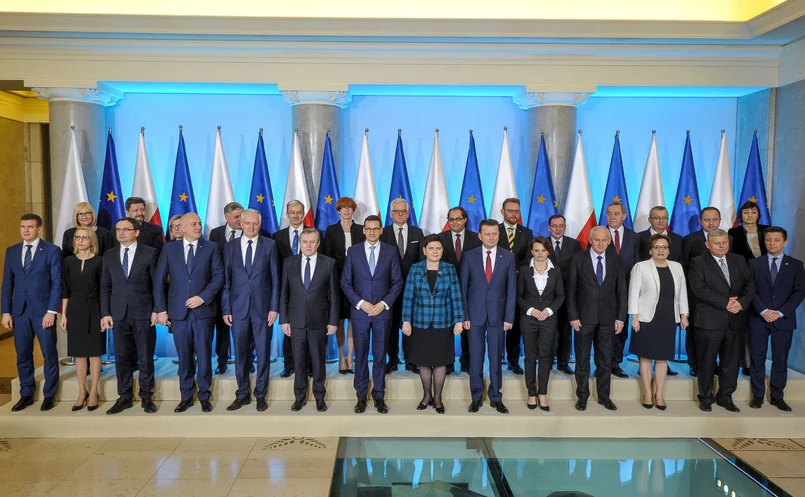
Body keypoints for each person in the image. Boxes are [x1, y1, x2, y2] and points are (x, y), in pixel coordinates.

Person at [154, 212, 224, 413]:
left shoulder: (211, 247)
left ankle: (204, 396)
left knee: (204, 355)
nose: (198, 227)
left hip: (203, 311)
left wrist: (202, 297)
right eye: (193, 224)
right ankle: (186, 396)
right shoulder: (169, 249)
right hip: (178, 313)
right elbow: (159, 281)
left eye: (199, 223)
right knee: (183, 357)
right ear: (182, 228)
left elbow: (219, 277)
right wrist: (161, 310)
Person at [340, 215, 403, 414]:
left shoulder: (391, 251)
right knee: (360, 356)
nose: (372, 232)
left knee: (379, 356)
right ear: (364, 230)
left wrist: (383, 304)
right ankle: (360, 397)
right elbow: (345, 282)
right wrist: (361, 303)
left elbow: (397, 282)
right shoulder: (353, 251)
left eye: (376, 229)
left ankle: (378, 396)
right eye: (369, 229)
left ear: (381, 230)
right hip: (360, 312)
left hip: (382, 313)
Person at [688, 229, 755, 413]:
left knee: (731, 362)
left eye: (724, 242)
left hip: (735, 319)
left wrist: (740, 303)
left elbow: (750, 284)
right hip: (709, 321)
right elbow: (699, 289)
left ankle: (725, 397)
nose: (721, 246)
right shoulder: (698, 262)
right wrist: (726, 302)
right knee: (707, 362)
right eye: (717, 243)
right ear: (707, 244)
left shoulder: (739, 260)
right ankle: (706, 398)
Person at [2, 214, 62, 412]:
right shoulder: (12, 251)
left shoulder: (52, 250)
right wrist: (6, 312)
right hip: (19, 312)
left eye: (30, 226)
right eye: (23, 227)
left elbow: (57, 283)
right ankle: (26, 393)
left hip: (43, 312)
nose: (26, 230)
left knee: (49, 353)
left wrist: (51, 311)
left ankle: (49, 395)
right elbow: (7, 284)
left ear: (40, 229)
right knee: (23, 354)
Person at [221, 209, 279, 412]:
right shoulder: (230, 247)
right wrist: (226, 308)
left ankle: (260, 394)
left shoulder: (270, 245)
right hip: (238, 310)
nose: (252, 227)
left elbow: (275, 279)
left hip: (263, 309)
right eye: (248, 223)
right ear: (241, 224)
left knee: (263, 353)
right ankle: (242, 394)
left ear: (259, 224)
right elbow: (226, 281)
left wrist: (274, 307)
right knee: (240, 354)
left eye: (255, 224)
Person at [401, 234, 465, 414]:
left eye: (438, 248)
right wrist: (406, 320)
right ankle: (426, 395)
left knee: (439, 361)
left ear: (442, 250)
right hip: (420, 322)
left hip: (442, 323)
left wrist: (458, 320)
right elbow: (408, 296)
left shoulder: (449, 269)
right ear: (424, 250)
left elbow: (456, 296)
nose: (435, 251)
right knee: (423, 361)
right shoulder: (415, 269)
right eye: (431, 248)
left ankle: (437, 398)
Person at [101, 217, 159, 415]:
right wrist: (105, 313)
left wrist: (157, 309)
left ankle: (146, 396)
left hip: (143, 312)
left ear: (136, 232)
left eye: (126, 229)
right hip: (118, 313)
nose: (121, 232)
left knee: (145, 356)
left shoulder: (150, 253)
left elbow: (156, 284)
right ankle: (124, 396)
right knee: (122, 357)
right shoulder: (109, 255)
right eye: (118, 229)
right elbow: (105, 286)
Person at [567, 226, 627, 412]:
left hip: (608, 319)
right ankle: (582, 396)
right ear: (590, 240)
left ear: (609, 241)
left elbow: (621, 291)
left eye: (604, 240)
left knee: (605, 360)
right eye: (597, 240)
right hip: (583, 319)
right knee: (582, 359)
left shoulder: (616, 260)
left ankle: (604, 397)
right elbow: (571, 290)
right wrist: (573, 316)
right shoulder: (578, 259)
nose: (600, 243)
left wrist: (621, 318)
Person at [280, 228, 339, 413]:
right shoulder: (289, 262)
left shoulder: (329, 263)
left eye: (312, 242)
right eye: (304, 242)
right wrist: (283, 320)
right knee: (298, 361)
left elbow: (335, 296)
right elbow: (284, 293)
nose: (308, 245)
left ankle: (319, 397)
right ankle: (299, 397)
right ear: (300, 243)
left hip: (319, 321)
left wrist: (333, 321)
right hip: (295, 321)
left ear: (318, 243)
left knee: (318, 361)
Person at [461, 219, 517, 414]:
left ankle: (495, 397)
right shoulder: (469, 256)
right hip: (474, 316)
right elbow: (463, 288)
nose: (491, 237)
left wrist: (509, 317)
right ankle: (476, 397)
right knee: (475, 359)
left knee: (495, 359)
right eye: (487, 234)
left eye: (495, 234)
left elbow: (511, 289)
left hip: (498, 317)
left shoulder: (508, 257)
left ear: (499, 235)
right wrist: (464, 316)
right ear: (480, 236)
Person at [628, 234, 689, 410]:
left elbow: (682, 293)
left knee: (663, 358)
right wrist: (634, 317)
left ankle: (659, 393)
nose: (660, 250)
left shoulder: (677, 267)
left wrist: (684, 314)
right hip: (646, 318)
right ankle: (647, 392)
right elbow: (633, 293)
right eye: (657, 247)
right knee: (646, 356)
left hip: (668, 318)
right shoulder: (640, 267)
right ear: (650, 250)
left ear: (669, 250)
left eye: (664, 247)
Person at [748, 227, 805, 412]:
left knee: (780, 359)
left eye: (776, 240)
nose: (772, 243)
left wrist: (780, 312)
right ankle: (757, 396)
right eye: (768, 240)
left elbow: (799, 292)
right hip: (758, 318)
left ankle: (777, 396)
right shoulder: (754, 264)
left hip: (784, 319)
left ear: (785, 242)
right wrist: (763, 310)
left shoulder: (796, 265)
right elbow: (749, 290)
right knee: (757, 358)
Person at [517, 236, 564, 411]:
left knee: (545, 357)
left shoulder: (556, 271)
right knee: (530, 357)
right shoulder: (524, 270)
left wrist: (549, 311)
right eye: (536, 250)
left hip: (548, 319)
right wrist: (530, 310)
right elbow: (518, 296)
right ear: (531, 252)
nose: (540, 254)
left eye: (543, 250)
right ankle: (531, 393)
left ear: (548, 252)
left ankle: (542, 393)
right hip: (529, 319)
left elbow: (560, 296)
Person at [682, 207, 730, 377]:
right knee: (695, 331)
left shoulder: (727, 239)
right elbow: (685, 266)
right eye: (707, 220)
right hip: (696, 294)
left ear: (720, 220)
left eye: (715, 220)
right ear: (700, 221)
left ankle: (714, 364)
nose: (711, 223)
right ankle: (694, 363)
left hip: (722, 296)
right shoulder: (690, 239)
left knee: (720, 333)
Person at [60, 226, 104, 411]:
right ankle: (81, 391)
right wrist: (63, 315)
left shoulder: (100, 261)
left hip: (95, 308)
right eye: (77, 237)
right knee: (79, 353)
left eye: (84, 238)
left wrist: (104, 315)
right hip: (75, 309)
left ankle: (93, 392)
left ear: (91, 240)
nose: (80, 241)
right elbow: (65, 290)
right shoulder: (68, 261)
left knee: (94, 352)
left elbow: (104, 290)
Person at [380, 198, 424, 374]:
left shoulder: (417, 233)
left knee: (410, 325)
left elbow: (421, 261)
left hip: (411, 289)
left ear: (408, 213)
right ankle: (392, 359)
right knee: (390, 326)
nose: (400, 214)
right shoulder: (383, 233)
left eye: (403, 211)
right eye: (396, 211)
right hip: (389, 290)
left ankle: (411, 360)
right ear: (391, 214)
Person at [323, 196, 365, 375]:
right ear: (338, 211)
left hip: (358, 280)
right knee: (339, 319)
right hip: (337, 279)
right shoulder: (331, 230)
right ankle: (341, 356)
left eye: (349, 208)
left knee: (354, 319)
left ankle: (350, 357)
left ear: (353, 210)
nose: (346, 211)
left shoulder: (361, 230)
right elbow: (327, 257)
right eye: (343, 208)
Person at [273, 200, 315, 378]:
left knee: (311, 329)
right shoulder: (277, 236)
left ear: (303, 213)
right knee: (289, 328)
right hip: (288, 290)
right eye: (292, 212)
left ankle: (310, 365)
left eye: (299, 212)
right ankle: (289, 364)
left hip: (310, 290)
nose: (296, 215)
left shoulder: (314, 234)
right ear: (287, 214)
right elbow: (275, 265)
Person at [729, 200, 770, 376]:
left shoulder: (768, 231)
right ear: (741, 215)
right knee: (745, 325)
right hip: (743, 283)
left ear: (758, 214)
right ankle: (745, 363)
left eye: (753, 212)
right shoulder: (733, 233)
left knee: (761, 324)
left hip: (766, 282)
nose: (750, 215)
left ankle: (759, 362)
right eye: (746, 212)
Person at [439, 206, 481, 374]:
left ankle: (467, 362)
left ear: (465, 220)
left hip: (471, 291)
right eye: (451, 219)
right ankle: (447, 363)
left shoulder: (476, 238)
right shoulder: (439, 239)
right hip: (445, 292)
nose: (455, 222)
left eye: (458, 219)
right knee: (446, 329)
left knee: (468, 326)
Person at [496, 198, 533, 375]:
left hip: (518, 285)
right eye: (510, 210)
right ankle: (495, 359)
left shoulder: (526, 232)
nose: (513, 214)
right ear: (502, 212)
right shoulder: (494, 230)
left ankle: (513, 361)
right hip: (496, 285)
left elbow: (529, 256)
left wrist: (516, 271)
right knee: (495, 324)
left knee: (515, 325)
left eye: (516, 211)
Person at [604, 202, 640, 379]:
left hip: (627, 290)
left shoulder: (635, 237)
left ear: (624, 216)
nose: (612, 217)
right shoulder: (599, 234)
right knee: (604, 330)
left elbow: (638, 264)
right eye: (609, 213)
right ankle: (602, 363)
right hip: (604, 292)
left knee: (621, 330)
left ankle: (615, 363)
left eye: (616, 214)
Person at [209, 201, 244, 376]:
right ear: (226, 217)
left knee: (244, 328)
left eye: (241, 216)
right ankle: (222, 361)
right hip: (220, 290)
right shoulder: (215, 233)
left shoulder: (250, 231)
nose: (240, 220)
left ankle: (247, 360)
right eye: (236, 217)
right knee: (222, 328)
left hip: (242, 290)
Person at [547, 214, 580, 375]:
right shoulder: (541, 243)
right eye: (554, 226)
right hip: (546, 295)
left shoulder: (574, 244)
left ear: (565, 227)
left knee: (565, 331)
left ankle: (563, 363)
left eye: (561, 226)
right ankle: (546, 361)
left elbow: (577, 269)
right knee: (547, 331)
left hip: (567, 294)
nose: (558, 229)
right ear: (549, 228)